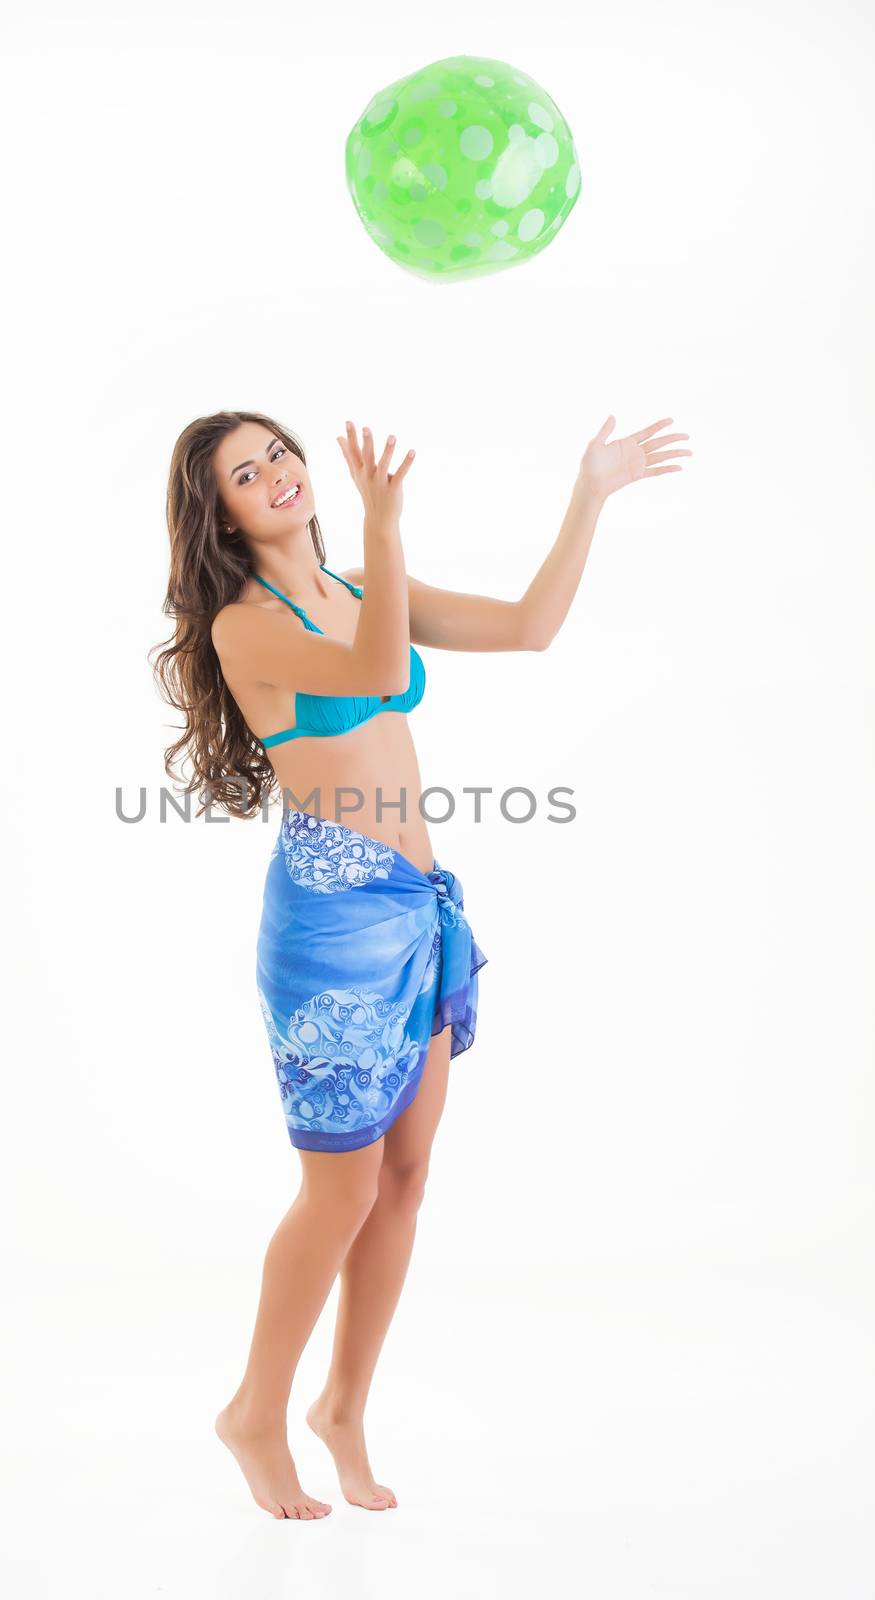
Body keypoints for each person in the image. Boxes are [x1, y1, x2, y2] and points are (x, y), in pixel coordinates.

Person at [150, 409, 691, 1519]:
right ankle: (255, 1407)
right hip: (331, 925)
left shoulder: (353, 583)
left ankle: (339, 1407)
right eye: (244, 475)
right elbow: (377, 664)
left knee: (402, 1178)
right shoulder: (243, 628)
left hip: (416, 906)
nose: (275, 475)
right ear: (223, 514)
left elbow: (530, 628)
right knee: (338, 1184)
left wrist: (588, 492)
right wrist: (390, 527)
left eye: (277, 452)